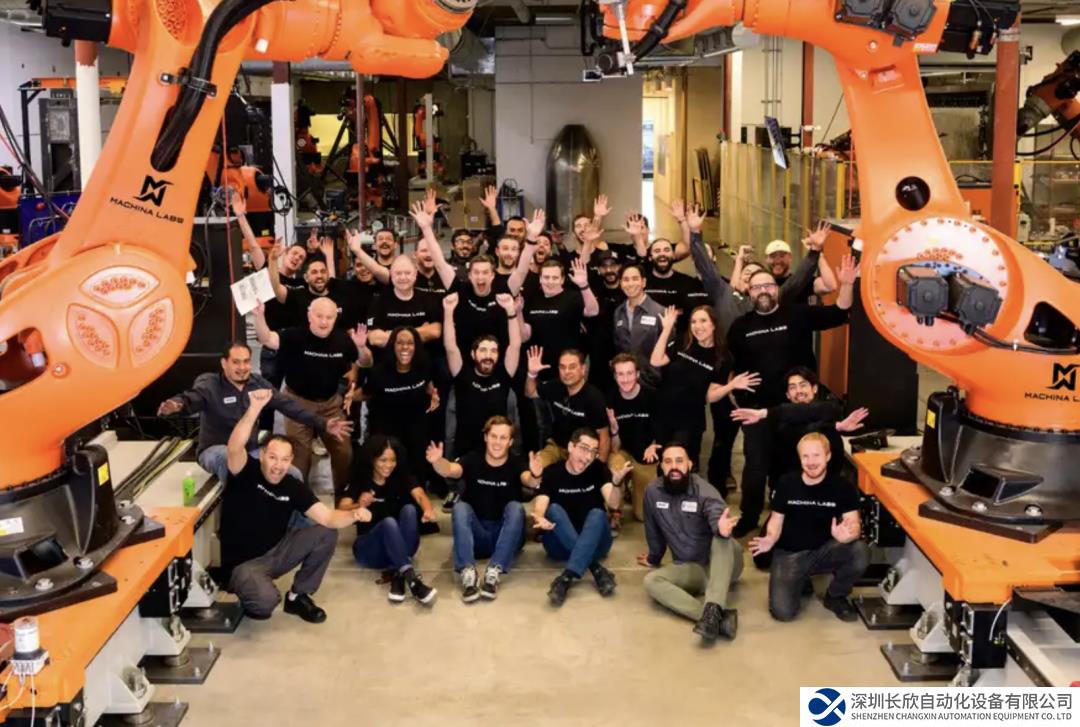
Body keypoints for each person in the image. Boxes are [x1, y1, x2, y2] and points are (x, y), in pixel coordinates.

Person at [727, 255, 858, 537]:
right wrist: (735, 390)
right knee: (755, 467)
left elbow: (839, 311)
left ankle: (788, 509)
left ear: (777, 289)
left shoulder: (797, 314)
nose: (763, 291)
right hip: (759, 411)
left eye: (768, 286)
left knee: (792, 463)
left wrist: (847, 284)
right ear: (749, 292)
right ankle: (749, 516)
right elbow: (734, 365)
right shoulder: (740, 327)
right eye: (757, 287)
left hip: (799, 409)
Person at [220, 390, 371, 623]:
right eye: (273, 457)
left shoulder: (292, 485)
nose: (278, 466)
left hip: (277, 552)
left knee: (326, 532)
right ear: (262, 455)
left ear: (290, 461)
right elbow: (233, 448)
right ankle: (254, 590)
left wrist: (354, 515)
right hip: (244, 565)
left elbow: (328, 518)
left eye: (284, 460)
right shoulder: (245, 471)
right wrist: (254, 409)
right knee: (265, 603)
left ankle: (298, 596)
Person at [157, 342, 351, 482]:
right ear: (224, 363)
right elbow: (192, 398)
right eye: (236, 362)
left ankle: (295, 524)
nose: (242, 368)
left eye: (246, 362)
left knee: (293, 475)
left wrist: (323, 423)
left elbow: (288, 406)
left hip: (251, 451)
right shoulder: (210, 384)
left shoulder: (258, 383)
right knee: (230, 461)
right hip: (215, 450)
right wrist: (176, 404)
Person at [749, 433, 869, 622]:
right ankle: (802, 579)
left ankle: (836, 595)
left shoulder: (842, 487)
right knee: (783, 613)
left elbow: (854, 524)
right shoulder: (786, 483)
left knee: (860, 551)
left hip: (823, 550)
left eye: (816, 455)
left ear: (828, 456)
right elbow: (776, 520)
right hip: (789, 554)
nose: (811, 462)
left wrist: (848, 535)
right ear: (799, 458)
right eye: (805, 456)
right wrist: (770, 538)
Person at [252, 298, 368, 492]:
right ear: (309, 316)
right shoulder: (294, 336)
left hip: (330, 404)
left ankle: (343, 496)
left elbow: (365, 362)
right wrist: (259, 316)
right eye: (319, 316)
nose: (324, 322)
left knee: (344, 453)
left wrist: (361, 347)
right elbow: (267, 339)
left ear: (335, 318)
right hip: (297, 403)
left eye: (329, 317)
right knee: (299, 458)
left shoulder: (343, 339)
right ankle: (298, 498)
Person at [426, 417, 537, 602]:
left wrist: (536, 474)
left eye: (503, 438)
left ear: (510, 442)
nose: (497, 442)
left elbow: (530, 481)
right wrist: (438, 462)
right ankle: (468, 573)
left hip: (506, 536)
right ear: (486, 437)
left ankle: (494, 571)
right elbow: (451, 470)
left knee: (516, 508)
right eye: (493, 436)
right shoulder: (472, 459)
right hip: (477, 536)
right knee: (460, 507)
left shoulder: (517, 462)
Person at [639, 443, 742, 642]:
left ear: (689, 464)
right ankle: (715, 619)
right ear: (661, 466)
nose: (674, 467)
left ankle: (714, 606)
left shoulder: (704, 491)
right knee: (651, 581)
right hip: (693, 570)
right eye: (668, 462)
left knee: (721, 538)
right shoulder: (653, 492)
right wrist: (654, 557)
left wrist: (720, 528)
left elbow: (716, 514)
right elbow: (653, 530)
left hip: (723, 566)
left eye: (679, 461)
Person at [650, 304, 760, 466]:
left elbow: (710, 396)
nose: (697, 326)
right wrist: (666, 329)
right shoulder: (683, 342)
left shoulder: (723, 357)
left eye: (703, 321)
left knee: (684, 464)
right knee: (663, 464)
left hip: (690, 420)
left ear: (714, 324)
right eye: (693, 322)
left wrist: (731, 385)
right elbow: (656, 360)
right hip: (664, 415)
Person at [531, 427, 628, 606]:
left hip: (597, 544)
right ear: (571, 447)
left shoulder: (598, 469)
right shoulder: (552, 472)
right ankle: (595, 568)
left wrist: (616, 484)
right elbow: (541, 504)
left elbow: (613, 504)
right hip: (559, 545)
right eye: (584, 449)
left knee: (597, 513)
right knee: (554, 510)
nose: (588, 457)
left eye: (593, 451)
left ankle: (566, 577)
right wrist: (539, 517)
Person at [339, 434, 439, 605]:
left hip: (400, 547)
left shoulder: (401, 476)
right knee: (388, 523)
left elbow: (420, 495)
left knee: (409, 510)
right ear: (372, 459)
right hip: (369, 550)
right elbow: (341, 509)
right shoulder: (360, 479)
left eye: (393, 460)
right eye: (383, 460)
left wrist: (428, 509)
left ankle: (399, 573)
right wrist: (358, 505)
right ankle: (412, 580)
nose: (389, 465)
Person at [731, 366, 870, 481]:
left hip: (827, 485)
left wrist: (835, 426)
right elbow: (796, 429)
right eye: (792, 388)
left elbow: (812, 412)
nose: (799, 391)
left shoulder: (827, 408)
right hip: (790, 486)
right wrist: (835, 426)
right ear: (787, 395)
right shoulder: (779, 420)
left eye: (803, 385)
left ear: (814, 388)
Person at [442, 290, 521, 475]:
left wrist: (511, 311)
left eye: (493, 351)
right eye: (483, 350)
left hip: (496, 451)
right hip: (466, 452)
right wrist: (448, 311)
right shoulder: (463, 374)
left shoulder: (503, 374)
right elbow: (450, 346)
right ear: (473, 354)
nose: (488, 355)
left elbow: (515, 345)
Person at [355, 326, 440, 480]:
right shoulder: (379, 372)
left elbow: (427, 383)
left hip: (415, 426)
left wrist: (433, 393)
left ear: (416, 346)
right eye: (400, 343)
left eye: (410, 343)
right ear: (392, 346)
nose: (405, 347)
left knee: (418, 459)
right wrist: (348, 397)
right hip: (387, 428)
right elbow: (365, 393)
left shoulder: (424, 366)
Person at [524, 347, 610, 468]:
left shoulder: (594, 398)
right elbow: (530, 393)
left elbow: (604, 437)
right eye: (562, 367)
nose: (567, 372)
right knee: (534, 467)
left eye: (572, 367)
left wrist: (598, 469)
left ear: (583, 369)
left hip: (582, 452)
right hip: (556, 447)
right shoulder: (555, 385)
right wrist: (532, 374)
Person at [605, 354, 660, 522]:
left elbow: (663, 432)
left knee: (642, 516)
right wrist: (614, 431)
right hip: (623, 452)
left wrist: (655, 445)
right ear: (615, 376)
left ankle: (634, 487)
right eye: (620, 374)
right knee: (615, 466)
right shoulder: (610, 400)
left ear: (637, 374)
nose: (625, 379)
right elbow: (615, 448)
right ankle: (615, 511)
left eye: (629, 373)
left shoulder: (653, 396)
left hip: (645, 454)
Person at [522, 257, 599, 374]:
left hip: (567, 366)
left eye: (555, 278)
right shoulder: (532, 299)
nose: (550, 282)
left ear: (562, 280)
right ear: (540, 279)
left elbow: (593, 311)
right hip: (538, 365)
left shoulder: (573, 297)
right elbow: (526, 335)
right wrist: (517, 312)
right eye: (546, 277)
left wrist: (584, 285)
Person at [365, 254, 443, 357]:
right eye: (398, 273)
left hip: (422, 360)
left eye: (407, 273)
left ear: (415, 274)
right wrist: (420, 332)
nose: (403, 277)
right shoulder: (379, 301)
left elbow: (435, 332)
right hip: (389, 361)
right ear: (391, 274)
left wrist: (390, 334)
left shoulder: (428, 298)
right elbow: (374, 339)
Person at [612, 262, 664, 383]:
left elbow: (668, 353)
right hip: (626, 381)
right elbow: (618, 347)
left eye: (635, 279)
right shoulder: (618, 312)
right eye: (626, 280)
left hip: (652, 382)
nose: (630, 284)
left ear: (643, 282)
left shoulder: (660, 312)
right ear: (620, 283)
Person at [765, 223, 839, 304]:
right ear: (766, 259)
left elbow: (830, 287)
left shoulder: (803, 280)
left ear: (790, 257)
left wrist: (818, 253)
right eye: (773, 256)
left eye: (782, 256)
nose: (777, 261)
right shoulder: (761, 284)